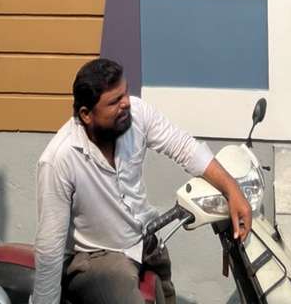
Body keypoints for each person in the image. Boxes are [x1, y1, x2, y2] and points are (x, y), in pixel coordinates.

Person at [32, 57, 252, 304]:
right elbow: (50, 248)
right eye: (114, 101)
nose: (126, 103)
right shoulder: (59, 159)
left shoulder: (137, 114)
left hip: (145, 241)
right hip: (97, 256)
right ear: (86, 115)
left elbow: (185, 148)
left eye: (125, 93)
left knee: (166, 295)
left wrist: (232, 190)